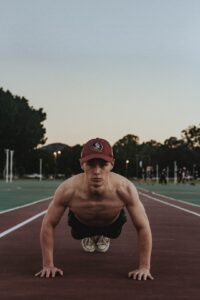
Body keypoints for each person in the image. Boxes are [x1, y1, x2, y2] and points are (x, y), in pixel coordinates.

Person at [35, 138, 154, 281]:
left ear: (112, 164)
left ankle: (102, 236)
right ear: (82, 164)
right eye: (91, 164)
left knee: (114, 230)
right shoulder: (67, 189)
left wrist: (144, 267)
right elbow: (48, 223)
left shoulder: (125, 189)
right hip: (81, 225)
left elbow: (143, 226)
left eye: (103, 164)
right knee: (78, 233)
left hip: (112, 225)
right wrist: (48, 265)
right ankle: (89, 237)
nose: (97, 171)